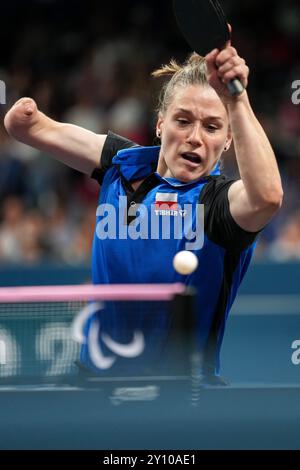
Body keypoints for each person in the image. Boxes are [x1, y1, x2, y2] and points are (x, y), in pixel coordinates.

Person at [4, 44, 283, 382]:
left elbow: (267, 197)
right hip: (97, 384)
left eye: (212, 127)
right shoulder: (122, 163)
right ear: (160, 124)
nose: (195, 138)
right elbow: (28, 128)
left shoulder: (219, 202)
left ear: (227, 140)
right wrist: (24, 115)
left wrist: (237, 99)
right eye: (183, 121)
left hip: (184, 396)